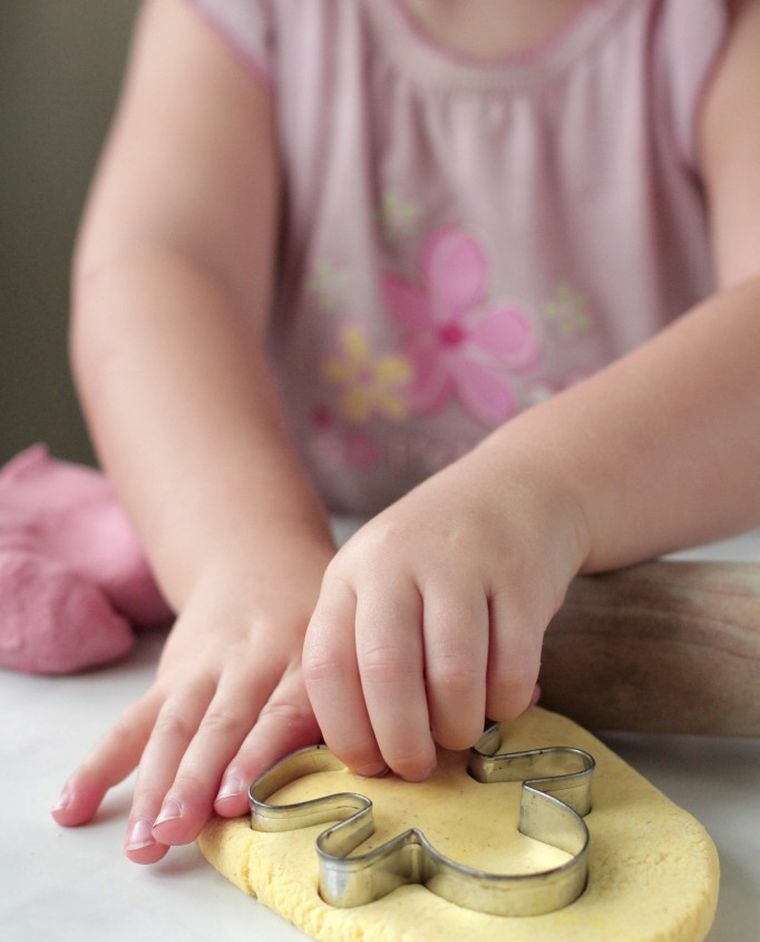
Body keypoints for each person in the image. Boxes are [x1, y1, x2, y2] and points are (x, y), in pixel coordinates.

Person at [52, 0, 760, 863]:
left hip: (682, 596)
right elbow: (160, 267)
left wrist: (540, 491)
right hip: (314, 580)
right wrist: (242, 556)